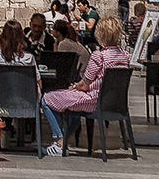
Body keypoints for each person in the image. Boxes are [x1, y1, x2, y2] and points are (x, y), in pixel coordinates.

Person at [42, 17, 131, 158]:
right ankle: (63, 140)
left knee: (47, 99)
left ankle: (59, 141)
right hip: (113, 102)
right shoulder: (125, 56)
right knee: (67, 102)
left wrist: (76, 86)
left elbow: (85, 84)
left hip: (92, 100)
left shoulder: (99, 56)